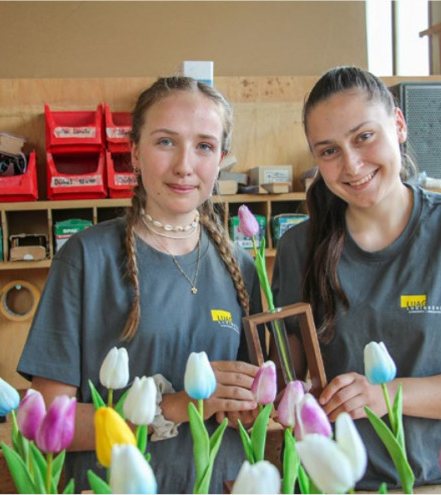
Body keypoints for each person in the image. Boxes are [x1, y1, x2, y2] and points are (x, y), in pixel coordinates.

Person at [272, 66, 441, 490]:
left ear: (398, 124)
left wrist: (382, 395)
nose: (351, 165)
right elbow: (293, 379)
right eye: (329, 151)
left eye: (364, 137)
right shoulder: (300, 246)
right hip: (330, 482)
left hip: (437, 480)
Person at [17, 76, 262, 494]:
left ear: (221, 158)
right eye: (166, 142)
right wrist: (172, 408)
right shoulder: (86, 258)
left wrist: (246, 406)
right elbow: (46, 422)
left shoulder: (241, 267)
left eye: (204, 146)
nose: (185, 165)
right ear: (134, 152)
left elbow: (246, 404)